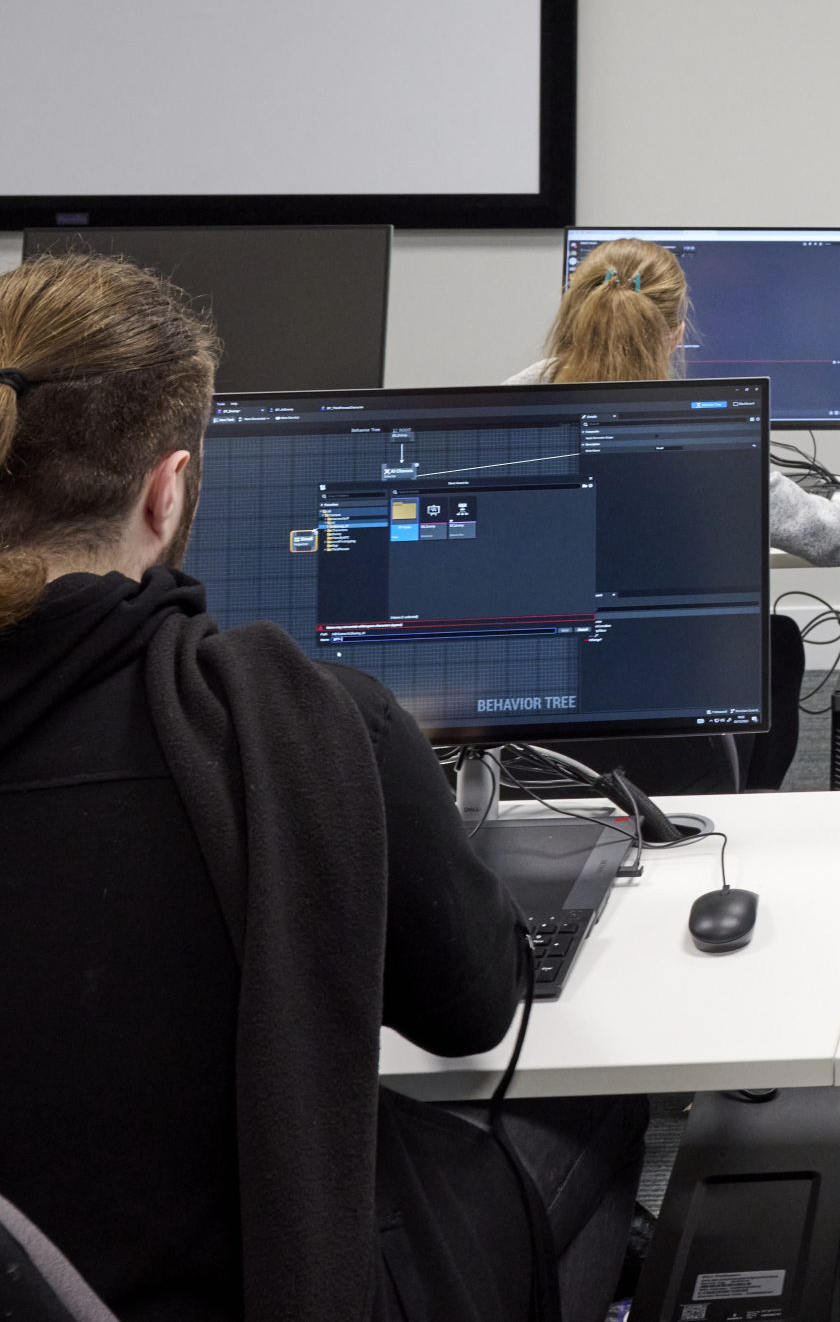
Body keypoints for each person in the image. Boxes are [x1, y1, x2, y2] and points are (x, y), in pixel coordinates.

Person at [0, 254, 644, 1322]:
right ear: (166, 492)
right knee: (600, 1113)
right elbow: (472, 1013)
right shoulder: (300, 721)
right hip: (265, 1281)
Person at [513, 236, 840, 565]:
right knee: (784, 641)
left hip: (526, 666)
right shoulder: (708, 434)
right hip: (684, 671)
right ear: (676, 336)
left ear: (575, 317)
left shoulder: (503, 412)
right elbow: (838, 538)